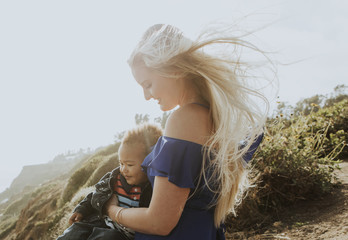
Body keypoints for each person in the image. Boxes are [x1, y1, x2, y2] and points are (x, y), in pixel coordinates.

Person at [105, 24, 269, 239]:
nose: (147, 96)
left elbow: (159, 222)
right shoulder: (216, 118)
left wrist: (112, 210)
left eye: (148, 84)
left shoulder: (185, 119)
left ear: (173, 70)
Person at [56, 123, 163, 240]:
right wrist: (81, 210)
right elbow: (96, 194)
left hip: (121, 235)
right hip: (99, 222)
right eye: (121, 163)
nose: (123, 169)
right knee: (75, 231)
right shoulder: (115, 178)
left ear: (149, 163)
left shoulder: (155, 188)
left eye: (130, 164)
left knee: (108, 237)